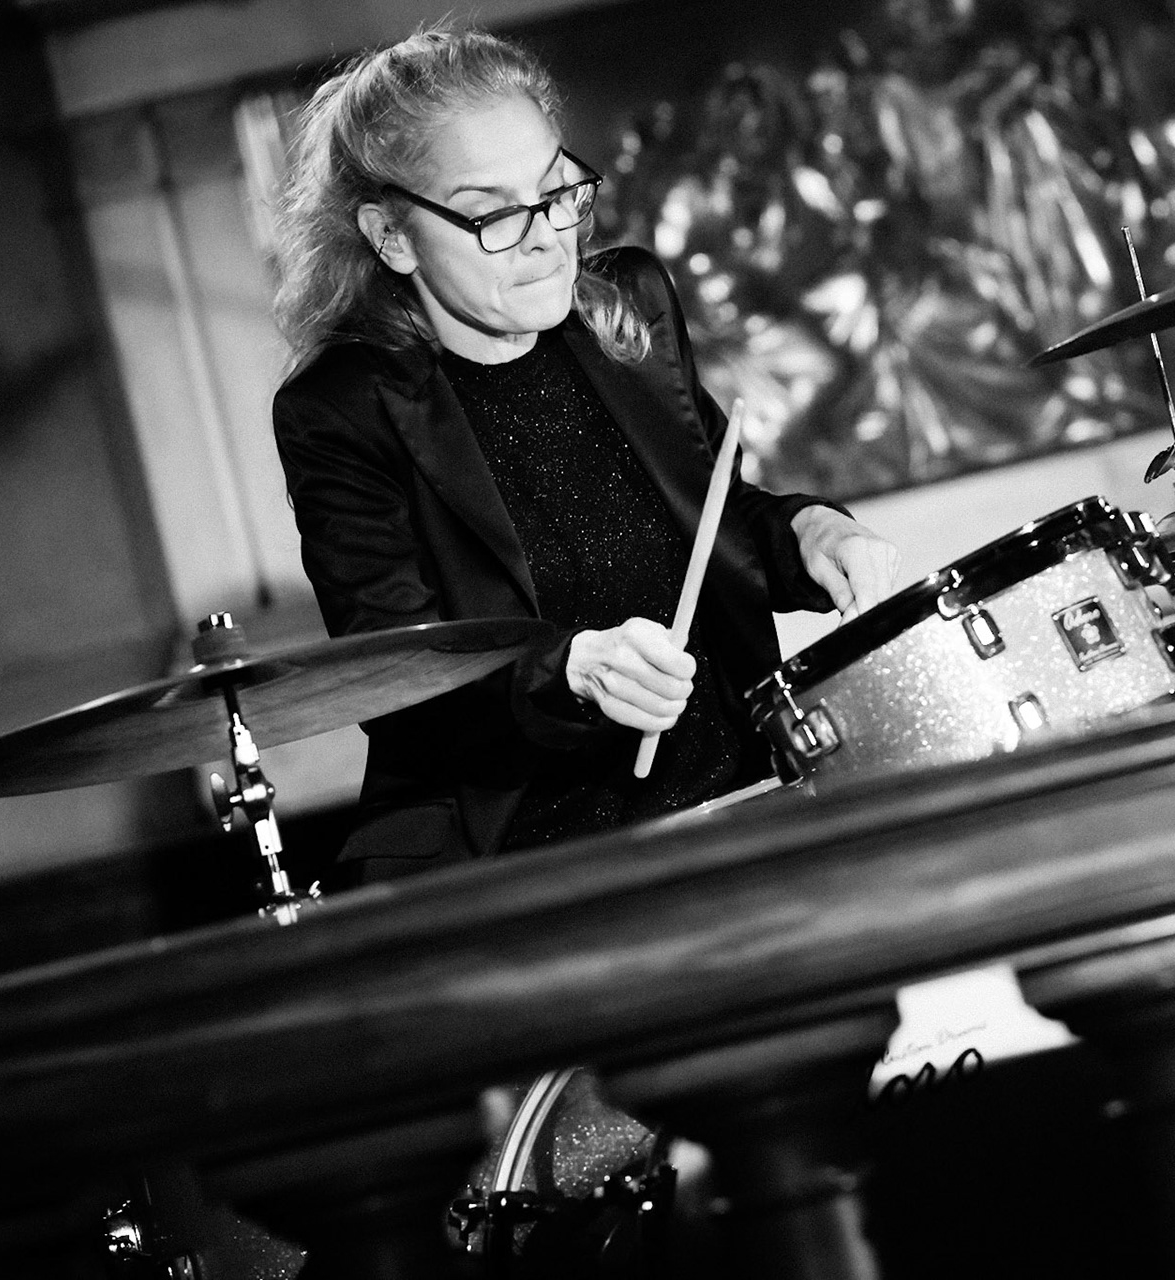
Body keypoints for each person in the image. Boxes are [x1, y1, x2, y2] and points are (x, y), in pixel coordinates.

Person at [271, 26, 898, 885]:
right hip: (531, 855)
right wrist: (569, 671)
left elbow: (720, 516)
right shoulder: (342, 409)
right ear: (392, 237)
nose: (544, 239)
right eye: (492, 212)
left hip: (745, 792)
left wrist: (812, 535)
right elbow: (399, 682)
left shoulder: (627, 303)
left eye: (556, 192)